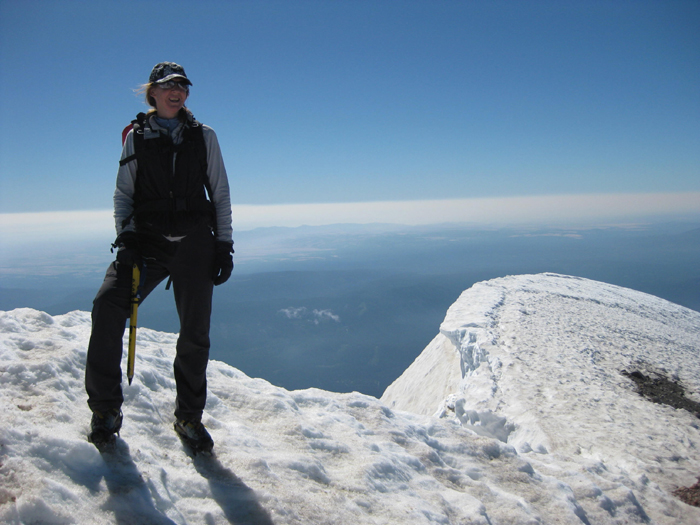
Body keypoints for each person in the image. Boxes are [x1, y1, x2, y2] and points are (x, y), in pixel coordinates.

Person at [85, 62, 233, 453]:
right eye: (168, 85)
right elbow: (124, 194)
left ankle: (189, 417)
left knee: (195, 333)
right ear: (152, 92)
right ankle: (104, 410)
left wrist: (224, 244)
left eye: (183, 85)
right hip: (146, 243)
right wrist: (127, 239)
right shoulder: (137, 137)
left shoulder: (205, 137)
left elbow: (219, 192)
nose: (177, 91)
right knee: (107, 304)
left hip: (196, 244)